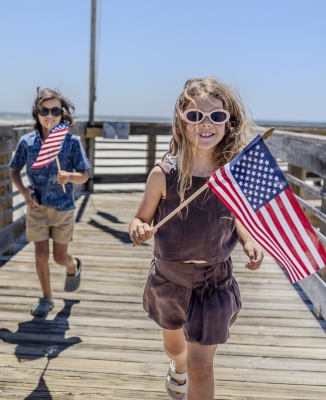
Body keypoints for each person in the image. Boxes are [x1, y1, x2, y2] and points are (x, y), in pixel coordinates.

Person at [129, 77, 263, 400]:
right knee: (176, 349)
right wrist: (138, 229)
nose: (206, 124)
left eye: (216, 116)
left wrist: (248, 241)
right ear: (181, 120)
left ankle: (189, 370)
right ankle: (177, 367)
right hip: (170, 278)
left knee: (202, 362)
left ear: (228, 122)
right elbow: (140, 218)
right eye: (195, 116)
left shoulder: (232, 175)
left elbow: (240, 218)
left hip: (213, 281)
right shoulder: (163, 175)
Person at [10, 88, 90, 317]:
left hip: (63, 207)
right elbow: (14, 170)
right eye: (44, 110)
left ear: (62, 113)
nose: (50, 114)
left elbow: (84, 174)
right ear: (37, 113)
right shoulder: (27, 142)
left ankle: (72, 265)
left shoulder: (71, 141)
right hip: (37, 206)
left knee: (59, 258)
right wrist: (24, 190)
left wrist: (69, 177)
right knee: (41, 255)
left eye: (55, 110)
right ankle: (46, 298)